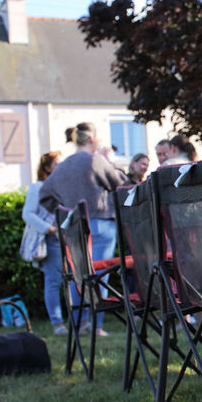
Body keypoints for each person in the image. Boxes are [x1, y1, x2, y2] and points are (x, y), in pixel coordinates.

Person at [40, 122, 130, 336]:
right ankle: (97, 327)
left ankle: (79, 324)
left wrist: (64, 211)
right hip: (100, 223)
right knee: (100, 275)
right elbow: (122, 184)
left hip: (74, 227)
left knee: (78, 275)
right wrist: (112, 162)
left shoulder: (62, 166)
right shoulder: (96, 160)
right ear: (92, 139)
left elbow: (45, 194)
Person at [24, 151, 67, 334]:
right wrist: (49, 229)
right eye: (56, 164)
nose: (60, 167)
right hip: (51, 240)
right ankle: (58, 324)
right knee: (54, 282)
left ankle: (81, 322)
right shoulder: (38, 187)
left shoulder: (64, 186)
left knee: (74, 281)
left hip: (67, 239)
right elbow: (27, 214)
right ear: (47, 168)